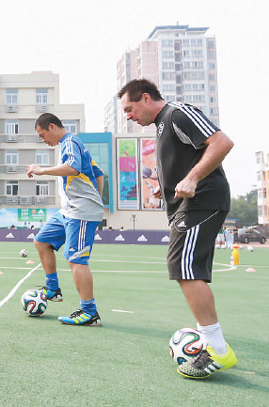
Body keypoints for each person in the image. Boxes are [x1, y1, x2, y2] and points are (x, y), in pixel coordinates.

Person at [118, 78, 236, 379]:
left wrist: (193, 178)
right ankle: (210, 340)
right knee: (188, 268)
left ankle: (218, 350)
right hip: (189, 204)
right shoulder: (160, 128)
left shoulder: (177, 113)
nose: (128, 116)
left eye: (129, 109)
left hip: (204, 199)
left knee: (183, 266)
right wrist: (165, 187)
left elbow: (222, 142)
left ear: (146, 98)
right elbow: (184, 162)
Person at [26, 113, 104, 326]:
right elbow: (99, 173)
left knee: (76, 260)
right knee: (41, 241)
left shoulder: (69, 142)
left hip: (81, 212)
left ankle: (90, 312)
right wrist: (97, 197)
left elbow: (73, 167)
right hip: (69, 210)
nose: (44, 140)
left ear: (52, 127)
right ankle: (52, 289)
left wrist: (42, 171)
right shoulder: (72, 144)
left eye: (43, 135)